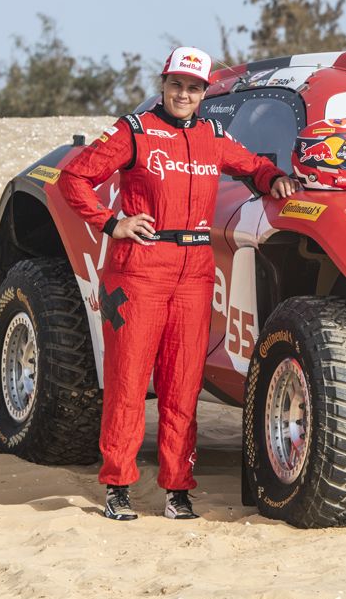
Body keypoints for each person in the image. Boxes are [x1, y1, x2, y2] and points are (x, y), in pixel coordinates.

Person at [58, 46, 300, 520]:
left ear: (204, 92)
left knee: (182, 383)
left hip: (194, 271)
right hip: (138, 268)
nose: (183, 94)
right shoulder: (134, 131)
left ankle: (176, 489)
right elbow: (74, 178)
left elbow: (252, 165)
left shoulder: (212, 135)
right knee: (128, 381)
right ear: (163, 85)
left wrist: (273, 179)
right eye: (175, 85)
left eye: (193, 87)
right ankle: (118, 485)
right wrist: (111, 223)